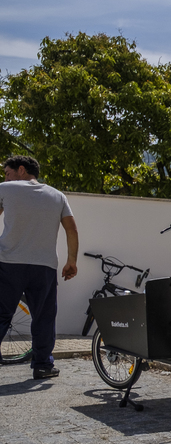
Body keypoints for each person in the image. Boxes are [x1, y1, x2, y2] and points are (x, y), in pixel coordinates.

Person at [0, 155, 79, 379]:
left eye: (7, 173)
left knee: (1, 314)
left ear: (21, 170)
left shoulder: (5, 189)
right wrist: (71, 260)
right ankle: (43, 365)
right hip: (44, 267)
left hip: (9, 263)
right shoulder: (57, 195)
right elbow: (72, 229)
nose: (5, 178)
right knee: (44, 317)